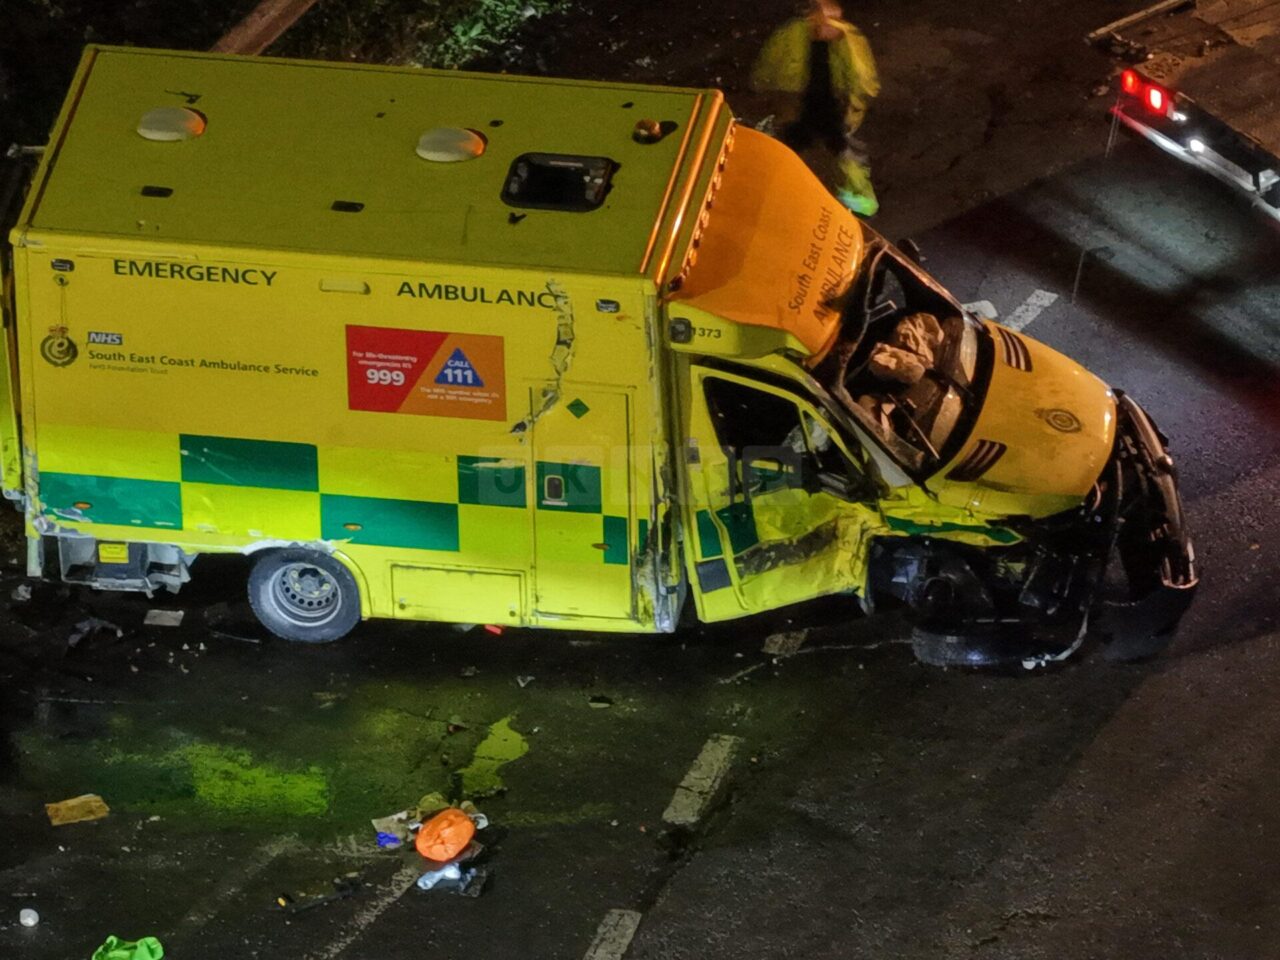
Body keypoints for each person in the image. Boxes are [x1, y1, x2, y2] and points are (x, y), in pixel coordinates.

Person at [751, 0, 881, 215]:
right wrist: (769, 95)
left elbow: (864, 78)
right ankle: (773, 193)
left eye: (830, 12)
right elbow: (768, 68)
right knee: (789, 148)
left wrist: (841, 41)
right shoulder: (791, 34)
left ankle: (860, 203)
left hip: (833, 106)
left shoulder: (848, 37)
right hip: (798, 106)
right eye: (818, 11)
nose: (824, 18)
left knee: (840, 151)